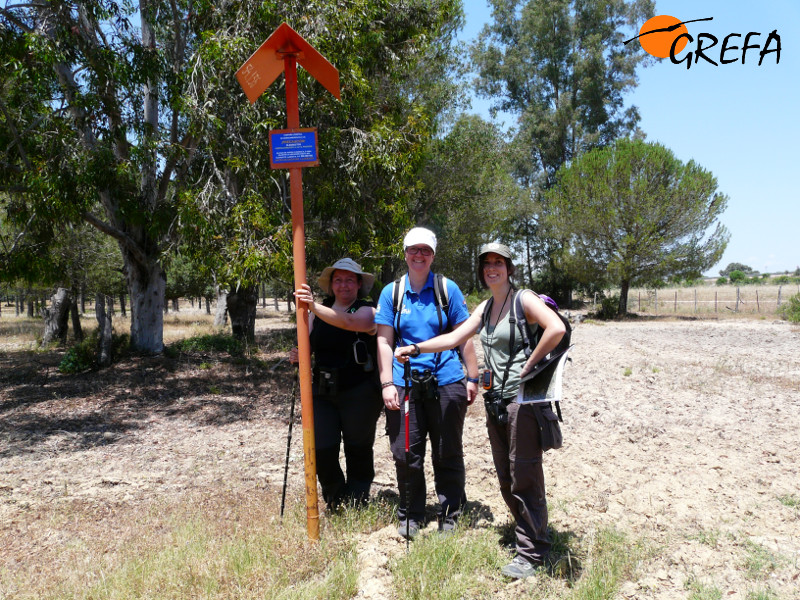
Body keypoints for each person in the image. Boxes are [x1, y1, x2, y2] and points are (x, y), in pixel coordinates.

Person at [395, 243, 566, 578]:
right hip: (496, 402)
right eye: (486, 263)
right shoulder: (487, 308)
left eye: (498, 263)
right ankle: (527, 535)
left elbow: (556, 328)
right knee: (506, 477)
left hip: (523, 403)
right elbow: (453, 338)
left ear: (509, 268)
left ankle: (533, 552)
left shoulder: (523, 299)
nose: (492, 268)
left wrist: (529, 366)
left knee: (524, 475)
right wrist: (415, 348)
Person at [375, 227, 480, 539]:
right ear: (405, 253)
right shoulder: (391, 293)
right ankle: (411, 515)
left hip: (446, 380)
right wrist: (386, 383)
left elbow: (464, 338)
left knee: (447, 450)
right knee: (405, 452)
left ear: (433, 255)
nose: (418, 255)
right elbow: (384, 342)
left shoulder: (447, 289)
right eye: (413, 250)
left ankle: (450, 515)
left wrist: (472, 377)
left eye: (425, 250)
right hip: (404, 383)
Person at [290, 258, 382, 510]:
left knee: (358, 448)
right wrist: (298, 353)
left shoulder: (368, 309)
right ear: (331, 285)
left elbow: (350, 323)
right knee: (322, 448)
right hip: (322, 391)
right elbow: (304, 342)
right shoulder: (314, 313)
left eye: (349, 280)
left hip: (360, 391)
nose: (344, 285)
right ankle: (335, 498)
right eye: (338, 280)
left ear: (359, 284)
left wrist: (313, 307)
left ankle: (357, 499)